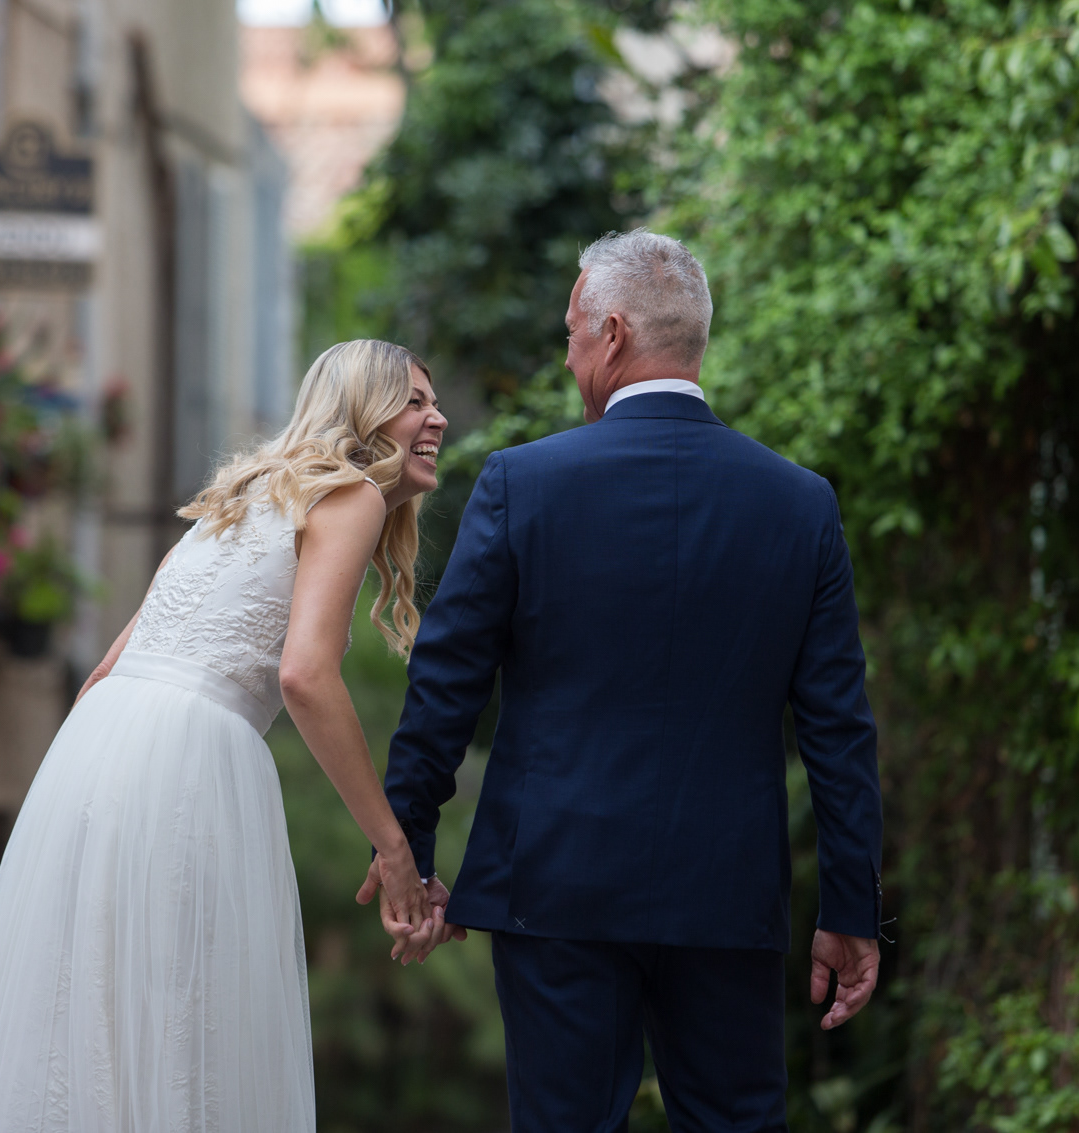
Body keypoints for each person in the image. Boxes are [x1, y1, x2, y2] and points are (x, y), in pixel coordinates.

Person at [367, 229, 883, 1132]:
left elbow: (449, 680)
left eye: (570, 334)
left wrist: (408, 841)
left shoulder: (522, 484)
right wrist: (849, 905)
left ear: (611, 333)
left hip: (555, 888)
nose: (567, 356)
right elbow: (838, 727)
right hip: (728, 893)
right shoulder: (800, 504)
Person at [0, 339, 450, 1132]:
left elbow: (105, 672)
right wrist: (395, 847)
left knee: (96, 1019)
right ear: (364, 416)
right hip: (192, 764)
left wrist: (36, 846)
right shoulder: (350, 496)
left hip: (102, 750)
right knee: (183, 1021)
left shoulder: (233, 499)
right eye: (414, 401)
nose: (436, 417)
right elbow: (307, 675)